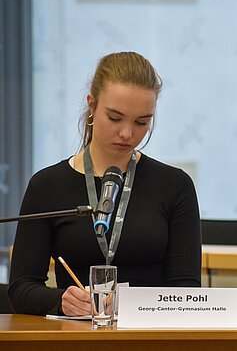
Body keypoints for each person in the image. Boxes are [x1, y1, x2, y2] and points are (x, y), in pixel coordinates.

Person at [9, 52, 202, 316]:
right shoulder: (46, 185)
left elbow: (187, 291)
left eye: (142, 122)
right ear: (91, 105)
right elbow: (21, 288)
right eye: (115, 118)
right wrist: (61, 301)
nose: (127, 133)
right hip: (75, 336)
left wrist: (133, 305)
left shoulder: (175, 185)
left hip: (150, 336)